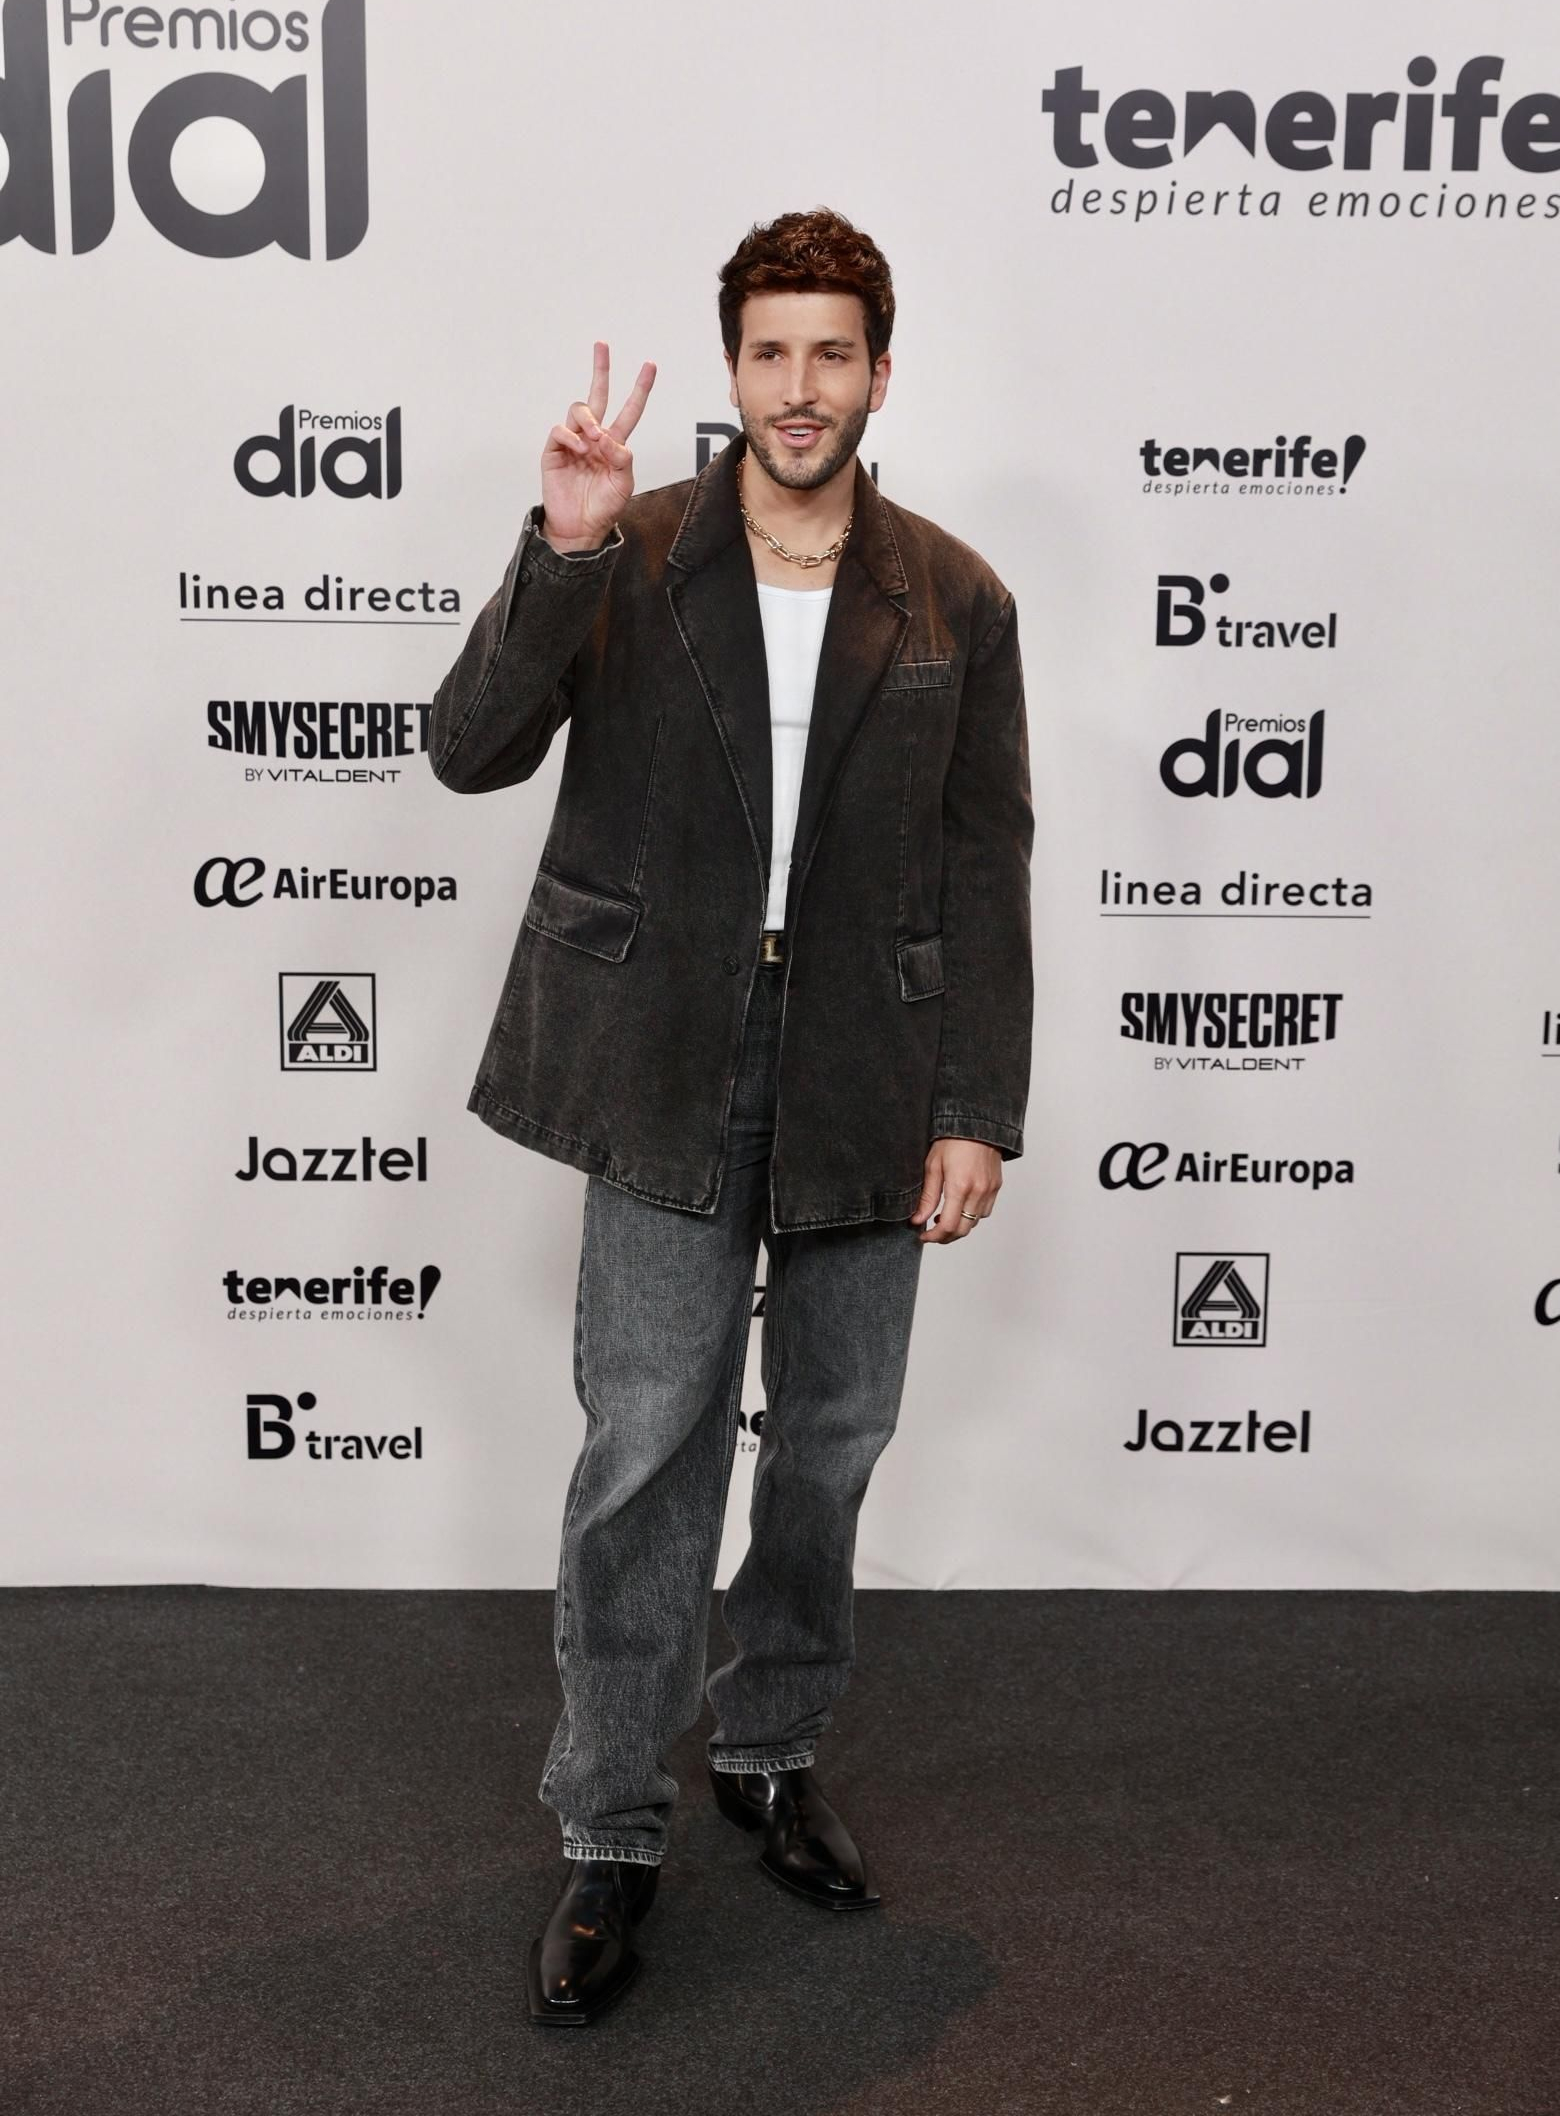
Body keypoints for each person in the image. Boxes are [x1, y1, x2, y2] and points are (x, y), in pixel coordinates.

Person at [427, 207, 1033, 2026]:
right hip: (664, 1058)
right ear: (731, 369)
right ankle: (610, 1829)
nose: (799, 387)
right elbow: (467, 749)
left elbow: (987, 868)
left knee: (833, 1439)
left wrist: (978, 1106)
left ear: (879, 374)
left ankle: (769, 1748)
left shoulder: (956, 593)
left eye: (831, 352)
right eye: (770, 352)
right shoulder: (629, 548)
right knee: (645, 1452)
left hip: (870, 1068)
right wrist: (560, 547)